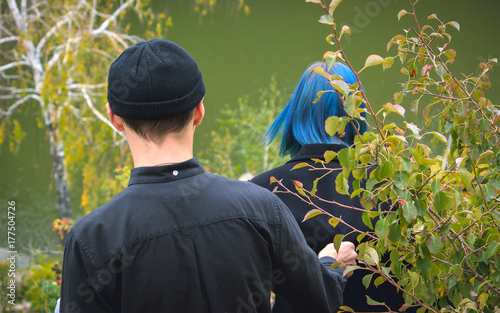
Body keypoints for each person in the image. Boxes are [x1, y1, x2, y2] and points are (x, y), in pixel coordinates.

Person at [59, 39, 358, 313]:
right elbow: (320, 299)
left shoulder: (92, 238)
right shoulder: (261, 207)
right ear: (199, 111)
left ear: (114, 118)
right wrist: (330, 264)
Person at [250, 61, 407, 312]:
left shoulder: (263, 190)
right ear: (358, 113)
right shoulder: (394, 185)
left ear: (297, 113)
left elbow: (249, 288)